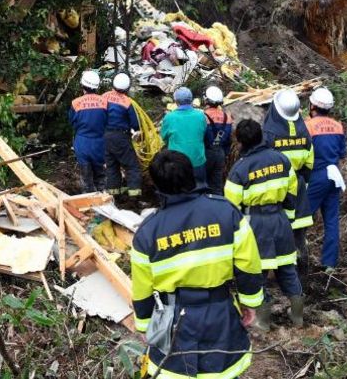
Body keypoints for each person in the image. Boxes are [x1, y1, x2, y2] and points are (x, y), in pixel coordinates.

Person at [131, 150, 264, 379]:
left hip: (174, 322)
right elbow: (248, 265)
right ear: (192, 176)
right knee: (223, 370)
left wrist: (144, 326)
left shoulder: (147, 233)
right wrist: (250, 303)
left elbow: (142, 289)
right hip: (220, 312)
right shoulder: (226, 212)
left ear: (157, 186)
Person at [224, 119, 304, 329]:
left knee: (255, 273)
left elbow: (231, 207)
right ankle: (298, 317)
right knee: (287, 269)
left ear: (240, 142)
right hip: (280, 220)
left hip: (254, 224)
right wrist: (288, 218)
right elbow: (292, 192)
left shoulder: (239, 170)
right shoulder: (282, 160)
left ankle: (264, 322)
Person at [263, 89, 315, 278]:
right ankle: (302, 275)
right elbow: (309, 162)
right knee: (299, 236)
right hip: (299, 189)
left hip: (276, 189)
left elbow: (263, 161)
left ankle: (275, 276)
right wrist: (304, 183)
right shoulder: (303, 131)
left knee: (274, 235)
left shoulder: (269, 133)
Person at [304, 87, 347, 273]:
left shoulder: (307, 126)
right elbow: (342, 153)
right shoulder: (338, 126)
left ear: (312, 105)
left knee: (302, 217)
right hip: (334, 174)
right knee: (331, 220)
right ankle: (329, 263)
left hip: (316, 174)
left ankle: (295, 257)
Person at [102, 72, 143, 198]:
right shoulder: (127, 102)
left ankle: (114, 195)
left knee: (112, 167)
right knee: (132, 167)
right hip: (120, 137)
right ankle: (134, 196)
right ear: (127, 88)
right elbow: (135, 125)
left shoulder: (103, 96)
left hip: (104, 137)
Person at [68, 70, 109, 192]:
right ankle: (105, 204)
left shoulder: (75, 103)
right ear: (97, 86)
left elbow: (72, 122)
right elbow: (109, 122)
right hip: (100, 144)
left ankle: (88, 205)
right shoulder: (105, 102)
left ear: (82, 85)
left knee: (86, 179)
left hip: (82, 143)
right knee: (101, 177)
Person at [160, 87, 208, 189]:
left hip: (177, 163)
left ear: (176, 101)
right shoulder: (200, 116)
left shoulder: (169, 117)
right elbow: (204, 134)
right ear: (191, 100)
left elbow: (164, 137)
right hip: (198, 160)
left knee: (179, 191)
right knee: (199, 189)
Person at [202, 86, 233, 194]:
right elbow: (228, 140)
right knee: (217, 185)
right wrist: (225, 153)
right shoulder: (227, 117)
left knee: (202, 184)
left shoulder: (203, 116)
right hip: (220, 153)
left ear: (206, 100)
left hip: (205, 153)